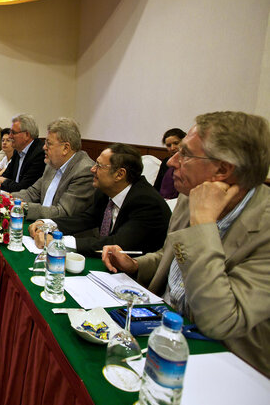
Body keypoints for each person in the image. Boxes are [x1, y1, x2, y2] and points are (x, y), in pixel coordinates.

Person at [102, 112, 270, 376]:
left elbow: (220, 320)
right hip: (162, 328)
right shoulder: (190, 194)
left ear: (223, 169)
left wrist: (204, 224)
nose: (171, 161)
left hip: (223, 363)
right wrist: (135, 264)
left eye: (186, 154)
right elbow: (172, 258)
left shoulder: (264, 229)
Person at [33, 143, 171, 256]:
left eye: (99, 165)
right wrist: (47, 223)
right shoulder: (105, 191)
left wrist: (58, 242)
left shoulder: (147, 202)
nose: (92, 169)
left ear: (119, 174)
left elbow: (116, 243)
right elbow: (87, 218)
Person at [11, 117, 95, 221]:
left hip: (67, 234)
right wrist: (7, 198)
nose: (44, 147)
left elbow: (63, 212)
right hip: (42, 227)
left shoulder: (85, 171)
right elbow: (33, 193)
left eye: (49, 144)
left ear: (65, 148)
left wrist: (25, 208)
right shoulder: (52, 164)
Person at [0, 114, 46, 192]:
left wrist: (4, 181)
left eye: (13, 133)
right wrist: (5, 181)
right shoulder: (17, 151)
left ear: (27, 135)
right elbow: (4, 176)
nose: (10, 136)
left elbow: (24, 188)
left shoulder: (39, 154)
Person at [153, 128, 186, 199]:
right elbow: (157, 187)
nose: (172, 148)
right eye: (168, 145)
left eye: (176, 143)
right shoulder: (166, 162)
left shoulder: (189, 163)